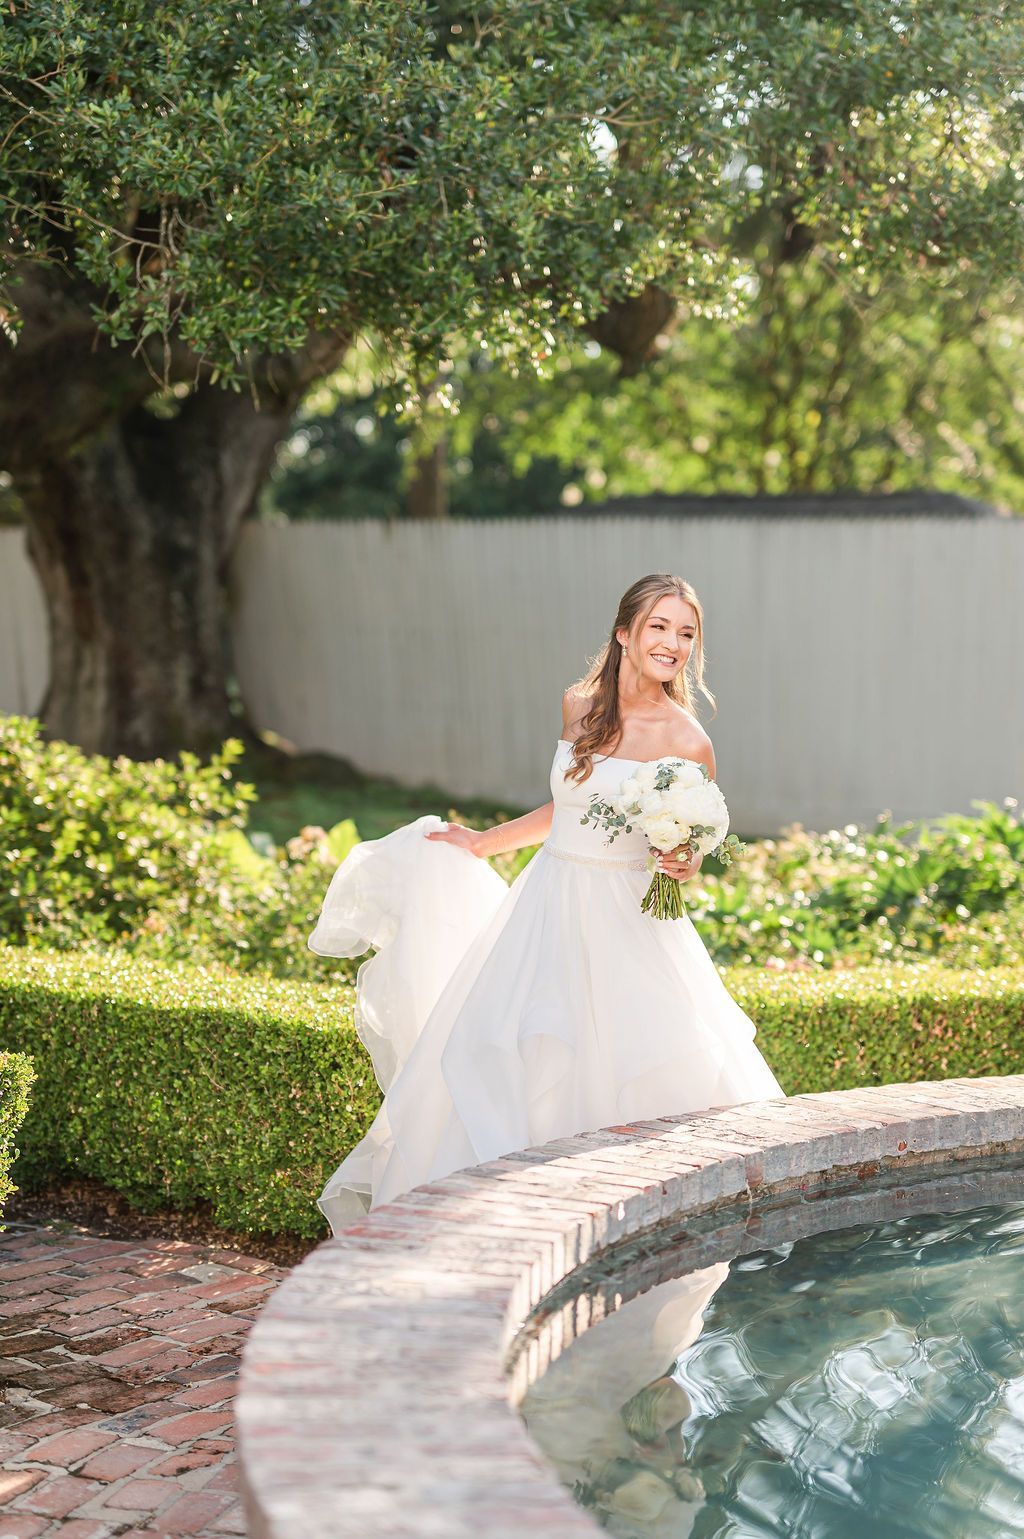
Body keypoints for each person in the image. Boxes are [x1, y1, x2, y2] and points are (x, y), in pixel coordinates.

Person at [310, 573, 786, 1233]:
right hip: (549, 905)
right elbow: (567, 807)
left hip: (630, 923)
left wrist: (685, 859)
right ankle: (511, 1227)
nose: (673, 643)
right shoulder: (578, 705)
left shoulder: (688, 740)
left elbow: (694, 844)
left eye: (685, 632)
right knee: (519, 1055)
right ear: (624, 632)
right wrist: (483, 842)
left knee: (628, 1072)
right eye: (659, 626)